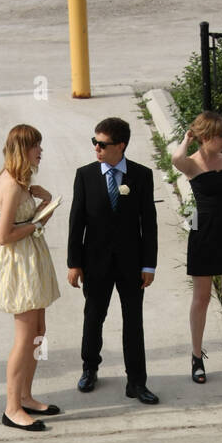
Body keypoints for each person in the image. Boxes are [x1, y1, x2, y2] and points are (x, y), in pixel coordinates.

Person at [66, 116, 159, 404]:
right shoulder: (85, 175)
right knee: (94, 317)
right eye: (94, 142)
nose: (96, 148)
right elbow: (76, 221)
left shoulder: (141, 176)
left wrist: (148, 264)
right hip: (95, 262)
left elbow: (149, 223)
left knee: (134, 321)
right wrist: (74, 262)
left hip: (131, 263)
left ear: (121, 146)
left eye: (102, 144)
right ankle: (89, 368)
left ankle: (137, 382)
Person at [0, 125, 61, 432]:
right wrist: (35, 225)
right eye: (37, 146)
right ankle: (12, 408)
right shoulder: (12, 185)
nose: (41, 152)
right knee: (24, 338)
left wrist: (47, 204)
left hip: (31, 257)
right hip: (19, 262)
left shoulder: (23, 181)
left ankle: (26, 395)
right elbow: (5, 235)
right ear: (24, 149)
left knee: (38, 330)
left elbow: (29, 222)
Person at [171, 110, 222, 384]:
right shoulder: (190, 163)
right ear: (206, 137)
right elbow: (176, 158)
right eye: (220, 135)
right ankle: (196, 355)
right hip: (203, 233)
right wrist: (187, 138)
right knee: (201, 298)